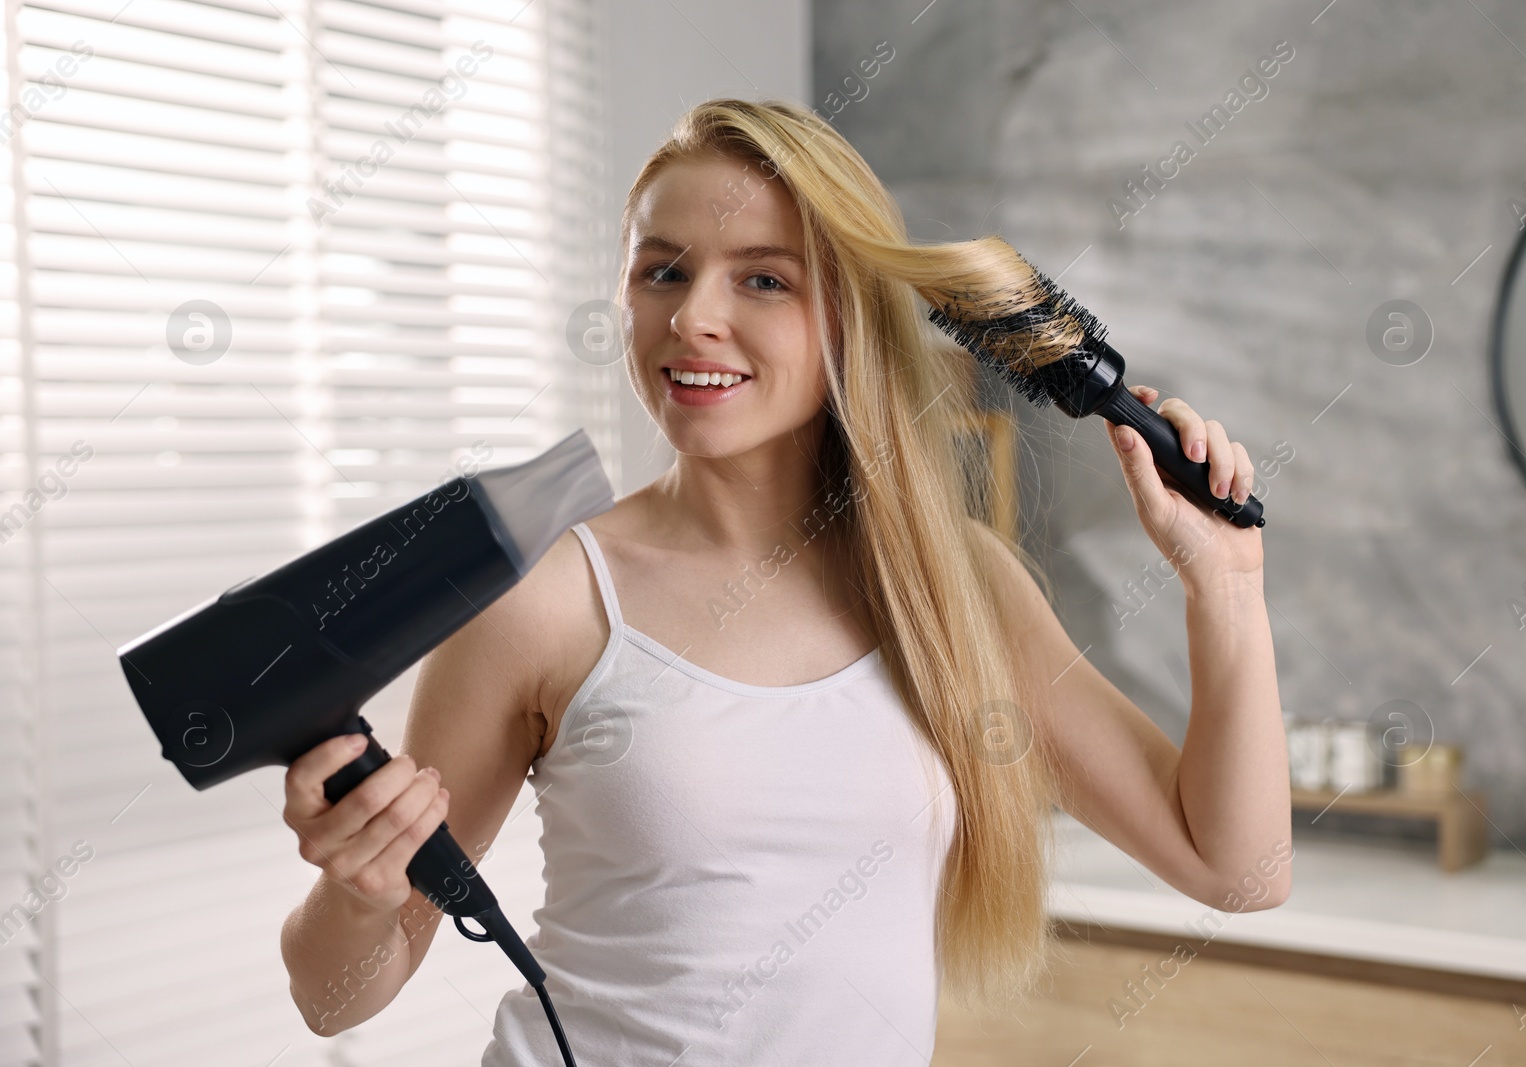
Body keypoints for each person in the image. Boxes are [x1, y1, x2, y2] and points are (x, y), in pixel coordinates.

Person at [278, 98, 1290, 1065]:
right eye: (662, 272)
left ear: (846, 316)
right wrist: (362, 891)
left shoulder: (954, 590)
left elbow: (1234, 868)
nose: (692, 319)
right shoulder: (545, 601)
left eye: (764, 279)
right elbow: (334, 995)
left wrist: (1225, 586)